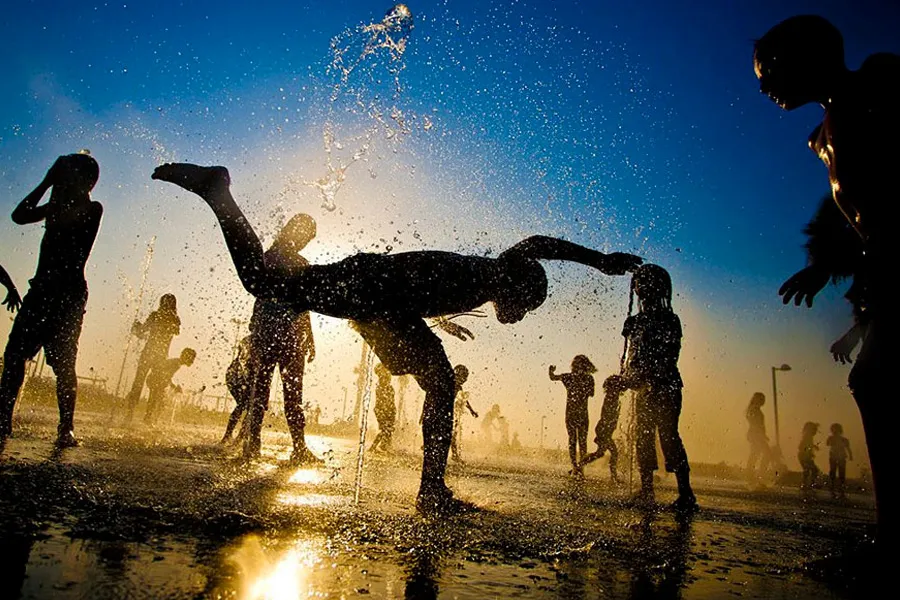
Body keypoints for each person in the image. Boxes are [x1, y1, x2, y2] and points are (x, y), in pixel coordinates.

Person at [151, 162, 641, 512]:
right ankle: (218, 192)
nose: (519, 314)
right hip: (372, 290)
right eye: (528, 304)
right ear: (522, 286)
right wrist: (600, 262)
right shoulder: (500, 270)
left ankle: (431, 488)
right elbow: (540, 243)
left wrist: (437, 325)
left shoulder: (483, 279)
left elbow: (427, 284)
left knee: (439, 381)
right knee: (264, 283)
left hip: (383, 298)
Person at [754, 13, 897, 545]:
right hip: (884, 268)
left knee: (875, 381)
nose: (763, 82)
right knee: (875, 381)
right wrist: (823, 264)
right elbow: (849, 213)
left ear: (809, 56)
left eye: (768, 68)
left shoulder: (880, 85)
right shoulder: (827, 135)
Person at [0, 153, 103, 448]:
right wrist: (46, 181)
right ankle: (3, 418)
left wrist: (53, 185)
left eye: (67, 172)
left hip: (67, 296)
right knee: (15, 356)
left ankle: (66, 426)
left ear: (84, 180)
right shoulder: (56, 206)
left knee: (63, 363)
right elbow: (18, 216)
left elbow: (68, 214)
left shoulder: (92, 208)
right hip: (41, 290)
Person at [618, 264, 696, 512]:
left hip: (666, 386)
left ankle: (686, 493)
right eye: (639, 283)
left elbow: (668, 358)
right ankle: (647, 489)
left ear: (661, 288)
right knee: (642, 436)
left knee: (669, 437)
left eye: (648, 282)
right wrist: (624, 380)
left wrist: (637, 379)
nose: (642, 287)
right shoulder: (635, 321)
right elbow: (630, 360)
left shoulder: (670, 320)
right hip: (644, 389)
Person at [241, 213, 318, 465]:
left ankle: (259, 445)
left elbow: (302, 304)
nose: (306, 241)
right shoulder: (274, 258)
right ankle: (287, 446)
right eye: (305, 235)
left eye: (308, 238)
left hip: (280, 336)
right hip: (280, 337)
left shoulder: (274, 258)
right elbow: (261, 296)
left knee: (267, 393)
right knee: (279, 394)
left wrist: (310, 337)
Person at [124, 294, 181, 423]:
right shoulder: (175, 319)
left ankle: (130, 414)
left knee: (138, 382)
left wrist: (136, 328)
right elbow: (174, 331)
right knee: (156, 387)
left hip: (148, 354)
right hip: (161, 357)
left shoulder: (155, 316)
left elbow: (142, 332)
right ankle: (148, 417)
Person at [549, 354, 597, 476]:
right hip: (579, 414)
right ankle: (577, 467)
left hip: (574, 413)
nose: (575, 367)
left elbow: (553, 377)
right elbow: (553, 377)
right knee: (579, 441)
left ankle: (577, 467)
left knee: (575, 440)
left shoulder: (572, 377)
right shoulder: (584, 378)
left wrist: (551, 372)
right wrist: (551, 372)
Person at [579, 373, 624, 483]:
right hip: (604, 429)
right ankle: (613, 477)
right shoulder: (611, 397)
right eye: (618, 385)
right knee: (613, 453)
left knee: (600, 453)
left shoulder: (613, 396)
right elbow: (608, 415)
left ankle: (578, 467)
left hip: (604, 429)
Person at [144, 348, 196, 426]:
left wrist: (173, 386)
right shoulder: (176, 364)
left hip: (155, 379)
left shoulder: (176, 363)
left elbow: (166, 376)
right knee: (157, 400)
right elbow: (165, 376)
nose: (192, 362)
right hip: (155, 379)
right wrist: (174, 386)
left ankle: (151, 419)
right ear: (187, 357)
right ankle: (150, 419)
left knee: (157, 400)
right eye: (192, 359)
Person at [221, 335, 253, 444]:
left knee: (246, 406)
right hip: (237, 375)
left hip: (234, 374)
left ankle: (233, 436)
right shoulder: (251, 341)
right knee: (246, 405)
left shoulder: (248, 340)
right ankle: (234, 437)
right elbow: (243, 362)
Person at [450, 364, 479, 464]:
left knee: (453, 433)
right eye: (464, 377)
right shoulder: (448, 382)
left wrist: (472, 411)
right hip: (443, 409)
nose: (465, 380)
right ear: (457, 374)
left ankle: (454, 455)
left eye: (465, 378)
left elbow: (464, 400)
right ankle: (428, 445)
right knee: (446, 432)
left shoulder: (459, 387)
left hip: (451, 412)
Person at [745, 392, 772, 482]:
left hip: (756, 435)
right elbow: (756, 424)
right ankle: (759, 475)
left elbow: (759, 425)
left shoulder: (754, 410)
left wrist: (764, 435)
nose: (763, 401)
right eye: (761, 399)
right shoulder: (754, 410)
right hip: (756, 435)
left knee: (755, 454)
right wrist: (761, 435)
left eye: (763, 399)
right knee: (765, 454)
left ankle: (752, 475)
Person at [370, 363, 396, 452]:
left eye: (388, 377)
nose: (388, 379)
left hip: (389, 410)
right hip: (381, 410)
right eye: (384, 377)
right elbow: (382, 401)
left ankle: (384, 446)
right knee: (385, 429)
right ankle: (373, 447)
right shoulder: (380, 388)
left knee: (388, 430)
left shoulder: (390, 388)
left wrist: (393, 412)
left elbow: (392, 401)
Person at [827, 423, 853, 499]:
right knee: (833, 474)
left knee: (841, 475)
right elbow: (828, 444)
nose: (835, 431)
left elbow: (848, 448)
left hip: (840, 457)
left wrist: (851, 455)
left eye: (836, 429)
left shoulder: (843, 439)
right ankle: (833, 490)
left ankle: (840, 491)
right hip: (834, 457)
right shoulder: (832, 438)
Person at [798, 421, 821, 493]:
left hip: (804, 456)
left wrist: (813, 447)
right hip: (804, 457)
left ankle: (806, 485)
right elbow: (801, 446)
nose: (815, 432)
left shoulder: (808, 436)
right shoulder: (807, 436)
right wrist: (808, 451)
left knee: (808, 470)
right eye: (814, 430)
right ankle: (809, 485)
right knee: (812, 470)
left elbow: (806, 445)